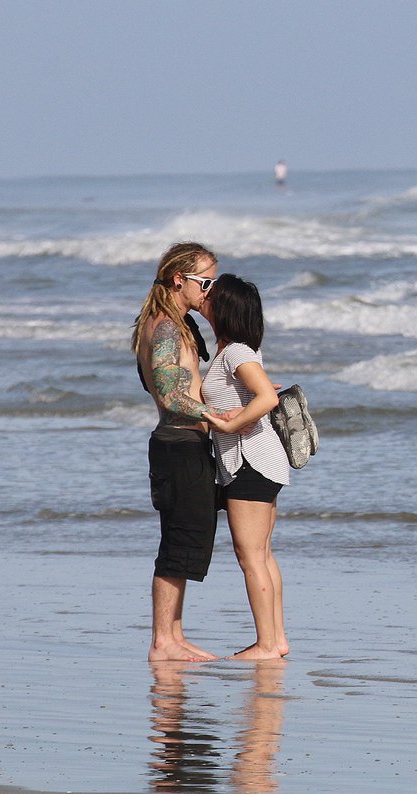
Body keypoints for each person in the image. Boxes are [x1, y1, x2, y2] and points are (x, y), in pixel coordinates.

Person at [132, 241, 232, 663]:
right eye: (205, 282)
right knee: (178, 543)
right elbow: (173, 394)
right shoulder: (168, 328)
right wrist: (225, 417)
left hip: (180, 444)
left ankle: (173, 635)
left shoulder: (166, 323)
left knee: (184, 540)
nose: (210, 291)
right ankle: (162, 641)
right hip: (179, 445)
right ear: (179, 280)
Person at [201, 274, 292, 661]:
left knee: (250, 555)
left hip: (250, 462)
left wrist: (228, 423)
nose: (203, 297)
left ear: (225, 309)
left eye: (210, 293)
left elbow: (268, 396)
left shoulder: (236, 352)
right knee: (263, 554)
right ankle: (277, 640)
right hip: (262, 461)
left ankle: (267, 644)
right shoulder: (236, 350)